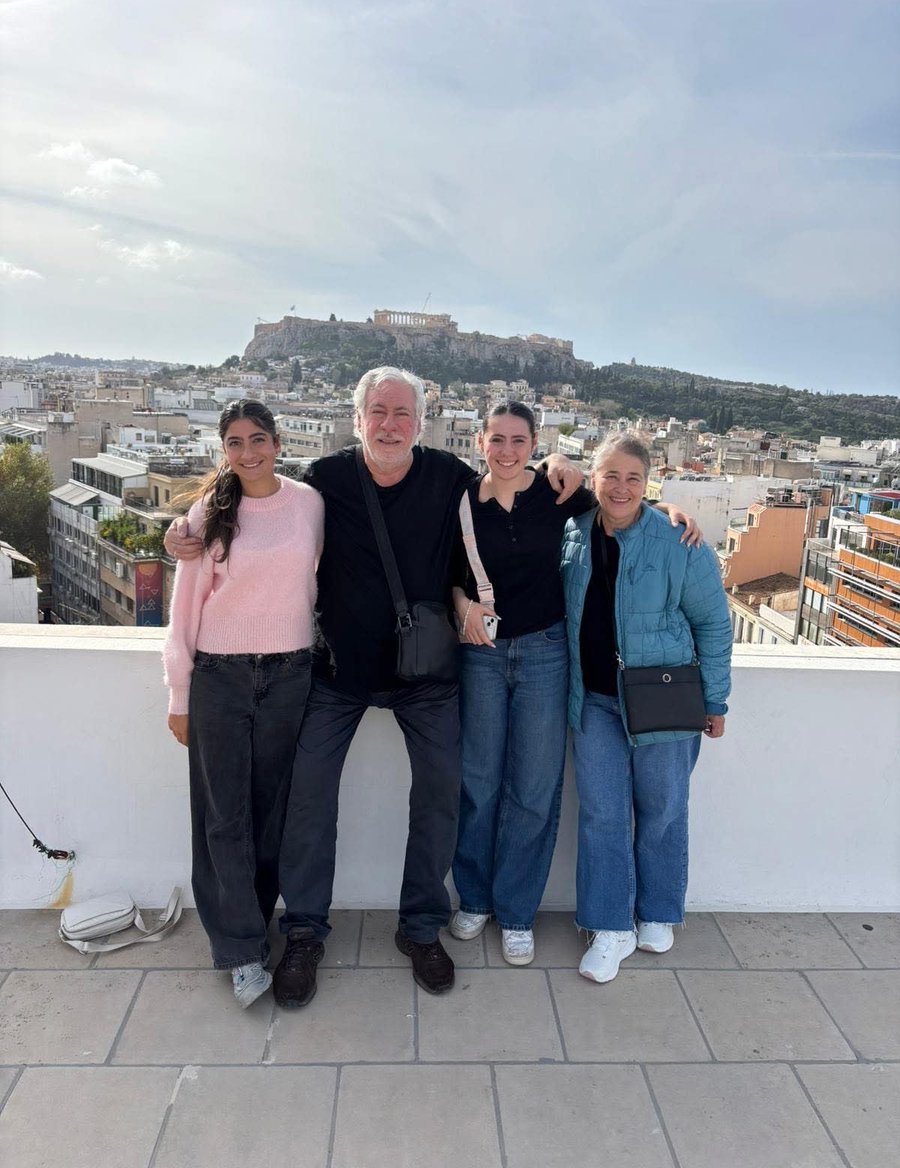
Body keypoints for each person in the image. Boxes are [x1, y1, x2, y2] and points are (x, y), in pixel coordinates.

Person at [165, 366, 581, 1007]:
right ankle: (305, 931)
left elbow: (512, 479)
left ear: (421, 423)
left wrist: (565, 466)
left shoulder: (447, 476)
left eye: (403, 414)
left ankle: (420, 926)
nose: (390, 425)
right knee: (308, 800)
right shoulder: (325, 484)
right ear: (357, 419)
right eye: (378, 413)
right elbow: (253, 496)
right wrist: (185, 532)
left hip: (426, 675)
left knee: (441, 792)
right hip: (338, 672)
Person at [450, 404, 700, 966]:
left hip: (545, 654)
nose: (507, 450)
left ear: (536, 443)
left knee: (534, 790)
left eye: (520, 440)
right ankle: (473, 898)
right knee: (478, 782)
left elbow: (624, 509)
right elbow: (446, 573)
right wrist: (462, 603)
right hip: (482, 656)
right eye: (497, 439)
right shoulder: (461, 499)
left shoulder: (557, 493)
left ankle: (515, 914)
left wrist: (673, 508)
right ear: (479, 441)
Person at [162, 399, 324, 1008]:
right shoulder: (208, 514)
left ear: (278, 442)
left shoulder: (309, 503)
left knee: (271, 814)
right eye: (236, 442)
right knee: (222, 816)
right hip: (220, 679)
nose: (249, 452)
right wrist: (179, 693)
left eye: (259, 439)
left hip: (291, 674)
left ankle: (254, 927)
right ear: (222, 449)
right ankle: (241, 950)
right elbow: (184, 612)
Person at [560, 430, 732, 983]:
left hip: (664, 699)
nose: (621, 487)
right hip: (595, 702)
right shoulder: (571, 536)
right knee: (603, 815)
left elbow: (713, 623)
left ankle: (659, 910)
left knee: (662, 808)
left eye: (633, 477)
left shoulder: (680, 541)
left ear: (648, 483)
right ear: (593, 478)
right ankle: (610, 927)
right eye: (610, 475)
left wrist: (716, 700)